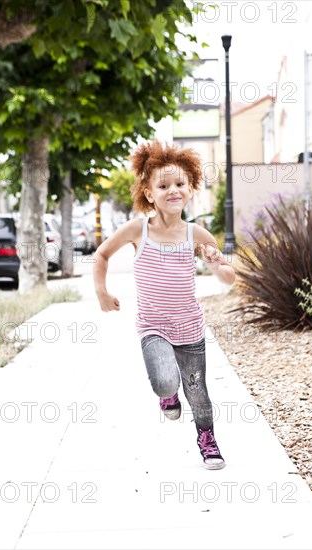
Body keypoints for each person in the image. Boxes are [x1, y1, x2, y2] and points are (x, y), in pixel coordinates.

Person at [93, 140, 235, 470]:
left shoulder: (197, 235)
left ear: (190, 189)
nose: (173, 190)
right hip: (153, 326)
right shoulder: (136, 230)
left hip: (190, 328)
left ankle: (207, 439)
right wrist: (101, 291)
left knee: (198, 392)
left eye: (180, 184)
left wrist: (218, 265)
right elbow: (101, 254)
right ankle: (167, 396)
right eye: (163, 185)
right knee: (166, 381)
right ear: (148, 193)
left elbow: (228, 278)